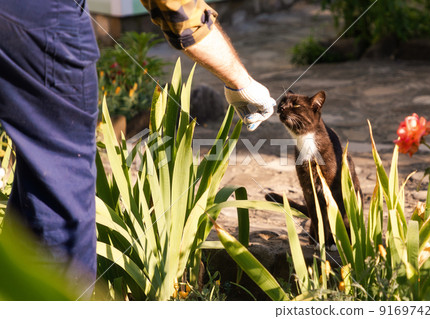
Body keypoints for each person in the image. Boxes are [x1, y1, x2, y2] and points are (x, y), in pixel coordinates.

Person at [0, 0, 275, 297]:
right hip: (35, 17)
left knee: (39, 172)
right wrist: (240, 82)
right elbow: (177, 8)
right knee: (59, 183)